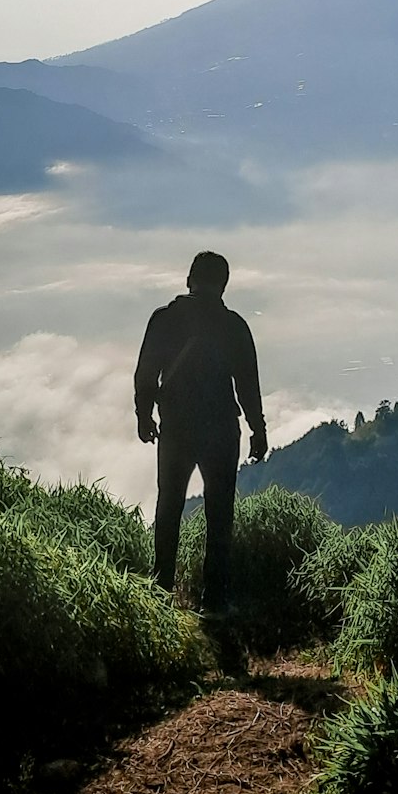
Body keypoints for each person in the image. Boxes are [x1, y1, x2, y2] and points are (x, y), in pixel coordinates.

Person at [135, 249, 267, 614]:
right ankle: (216, 600)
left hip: (176, 426)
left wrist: (144, 416)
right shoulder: (234, 326)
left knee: (169, 508)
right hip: (223, 429)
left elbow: (146, 374)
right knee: (220, 514)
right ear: (223, 286)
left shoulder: (164, 320)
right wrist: (258, 429)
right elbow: (248, 385)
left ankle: (160, 595)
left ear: (189, 278)